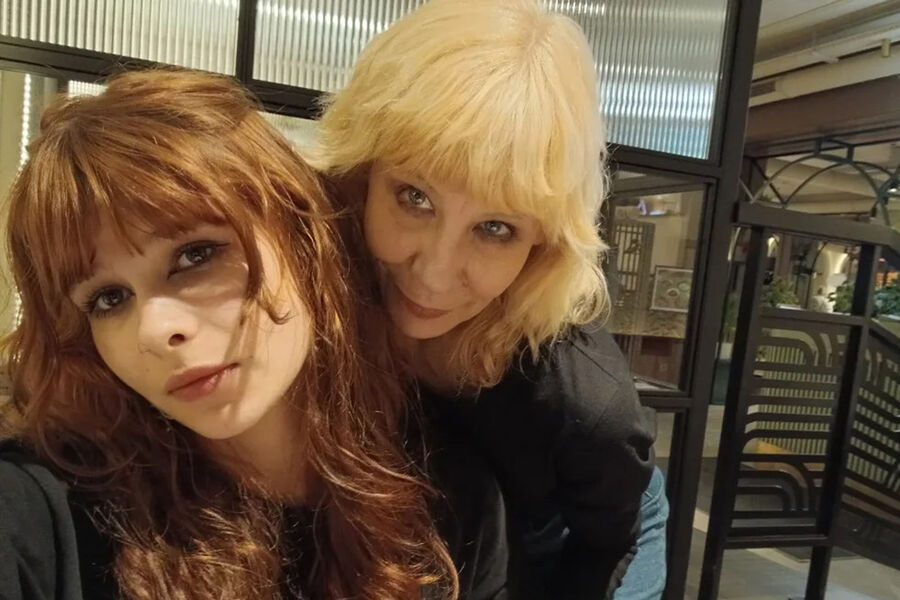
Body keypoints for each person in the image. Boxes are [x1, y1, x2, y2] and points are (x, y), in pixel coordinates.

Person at [0, 69, 508, 600]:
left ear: (303, 240)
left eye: (196, 256)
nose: (155, 330)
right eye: (108, 299)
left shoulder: (449, 497)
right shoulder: (44, 517)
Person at [309, 0, 665, 598]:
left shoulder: (583, 398)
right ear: (361, 176)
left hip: (592, 526)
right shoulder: (319, 285)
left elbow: (605, 546)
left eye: (496, 228)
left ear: (543, 246)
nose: (434, 273)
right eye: (414, 197)